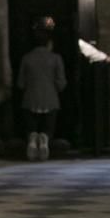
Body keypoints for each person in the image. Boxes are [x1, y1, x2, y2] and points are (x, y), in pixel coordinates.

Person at [18, 19, 67, 161]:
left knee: (31, 127)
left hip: (30, 98)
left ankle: (32, 139)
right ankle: (44, 139)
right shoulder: (56, 58)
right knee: (48, 127)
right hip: (50, 98)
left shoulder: (26, 58)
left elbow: (21, 83)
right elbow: (61, 82)